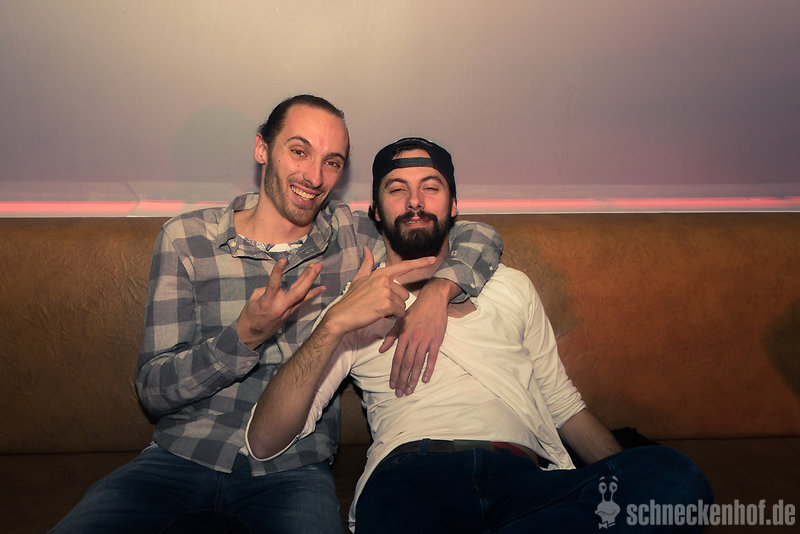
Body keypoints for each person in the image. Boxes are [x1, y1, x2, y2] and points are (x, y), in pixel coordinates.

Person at [50, 97, 503, 534]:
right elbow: (153, 390)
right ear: (262, 148)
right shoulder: (187, 239)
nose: (314, 176)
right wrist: (244, 336)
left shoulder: (354, 237)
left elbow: (471, 233)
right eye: (299, 151)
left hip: (293, 469)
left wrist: (439, 290)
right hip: (179, 458)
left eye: (332, 162)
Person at [246, 137, 714, 533]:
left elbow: (563, 406)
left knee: (674, 477)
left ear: (453, 205)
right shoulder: (357, 303)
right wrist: (333, 324)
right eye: (397, 189)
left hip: (525, 483)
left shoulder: (511, 287)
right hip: (412, 479)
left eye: (431, 187)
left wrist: (618, 472)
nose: (414, 202)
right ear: (376, 212)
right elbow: (265, 441)